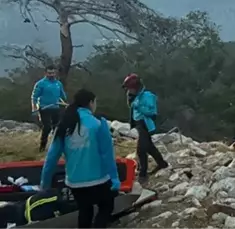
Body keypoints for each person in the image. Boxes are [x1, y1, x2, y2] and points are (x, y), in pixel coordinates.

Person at [40, 89, 120, 229]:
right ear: (90, 103)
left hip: (74, 182)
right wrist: (114, 178)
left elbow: (51, 157)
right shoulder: (99, 123)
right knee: (106, 207)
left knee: (85, 210)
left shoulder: (64, 125)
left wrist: (44, 183)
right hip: (99, 179)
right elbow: (107, 154)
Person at [122, 74, 168, 183]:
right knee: (149, 146)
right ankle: (162, 164)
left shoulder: (148, 96)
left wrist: (140, 107)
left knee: (141, 150)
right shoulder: (134, 97)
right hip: (138, 124)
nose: (129, 91)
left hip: (145, 124)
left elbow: (152, 113)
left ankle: (143, 174)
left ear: (136, 87)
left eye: (130, 88)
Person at [31, 65, 68, 152]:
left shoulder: (58, 84)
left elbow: (62, 96)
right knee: (47, 127)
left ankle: (57, 148)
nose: (51, 75)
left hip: (56, 108)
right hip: (44, 108)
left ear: (55, 73)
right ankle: (42, 147)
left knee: (57, 128)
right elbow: (34, 97)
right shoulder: (40, 84)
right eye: (49, 73)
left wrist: (64, 102)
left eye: (53, 73)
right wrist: (34, 109)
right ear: (46, 73)